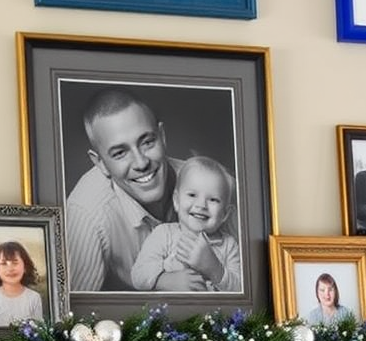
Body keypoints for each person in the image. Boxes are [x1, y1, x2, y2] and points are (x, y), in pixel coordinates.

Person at [64, 87, 181, 292]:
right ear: (99, 162)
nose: (141, 162)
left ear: (162, 136)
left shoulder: (211, 183)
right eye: (120, 153)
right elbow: (74, 318)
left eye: (147, 142)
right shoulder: (86, 213)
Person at [131, 155, 241, 293]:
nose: (201, 205)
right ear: (177, 201)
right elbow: (137, 275)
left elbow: (240, 289)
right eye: (192, 195)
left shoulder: (229, 245)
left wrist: (215, 269)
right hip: (166, 313)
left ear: (225, 214)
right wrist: (165, 280)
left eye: (213, 199)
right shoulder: (164, 234)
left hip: (212, 314)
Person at [0, 241, 44, 327]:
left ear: (25, 267)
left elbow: (39, 330)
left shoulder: (34, 298)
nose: (10, 268)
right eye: (4, 263)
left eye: (15, 263)